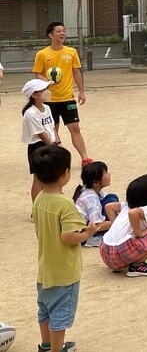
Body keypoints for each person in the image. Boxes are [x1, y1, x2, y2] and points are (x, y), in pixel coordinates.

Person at [32, 144, 99, 352]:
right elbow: (68, 237)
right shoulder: (65, 204)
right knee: (60, 315)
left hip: (45, 269)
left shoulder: (39, 199)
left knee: (44, 311)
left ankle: (46, 345)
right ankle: (56, 349)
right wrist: (88, 232)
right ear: (65, 173)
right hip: (64, 272)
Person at [33, 21, 93, 167]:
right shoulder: (42, 54)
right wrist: (48, 82)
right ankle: (57, 158)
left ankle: (85, 158)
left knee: (75, 128)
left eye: (63, 31)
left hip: (68, 98)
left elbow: (76, 72)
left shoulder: (71, 52)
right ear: (50, 35)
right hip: (49, 100)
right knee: (53, 130)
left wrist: (81, 92)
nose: (62, 33)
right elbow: (37, 74)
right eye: (58, 31)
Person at [99, 174, 147, 277]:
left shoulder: (126, 205)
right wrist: (139, 233)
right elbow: (133, 213)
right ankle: (137, 265)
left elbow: (109, 207)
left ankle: (120, 265)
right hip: (119, 253)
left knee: (130, 235)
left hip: (105, 252)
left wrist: (115, 226)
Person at [21, 78, 57, 204]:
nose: (47, 92)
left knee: (49, 177)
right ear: (35, 95)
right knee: (38, 178)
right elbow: (41, 133)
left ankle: (46, 204)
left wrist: (58, 142)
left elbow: (52, 128)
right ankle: (36, 208)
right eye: (44, 90)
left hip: (50, 143)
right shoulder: (31, 113)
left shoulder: (46, 108)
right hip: (38, 146)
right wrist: (53, 148)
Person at [73, 161, 121, 248]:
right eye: (105, 173)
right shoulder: (91, 198)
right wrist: (118, 222)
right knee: (111, 201)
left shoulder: (88, 189)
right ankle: (93, 238)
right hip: (85, 230)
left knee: (111, 198)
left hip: (85, 224)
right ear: (96, 182)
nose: (109, 174)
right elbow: (97, 225)